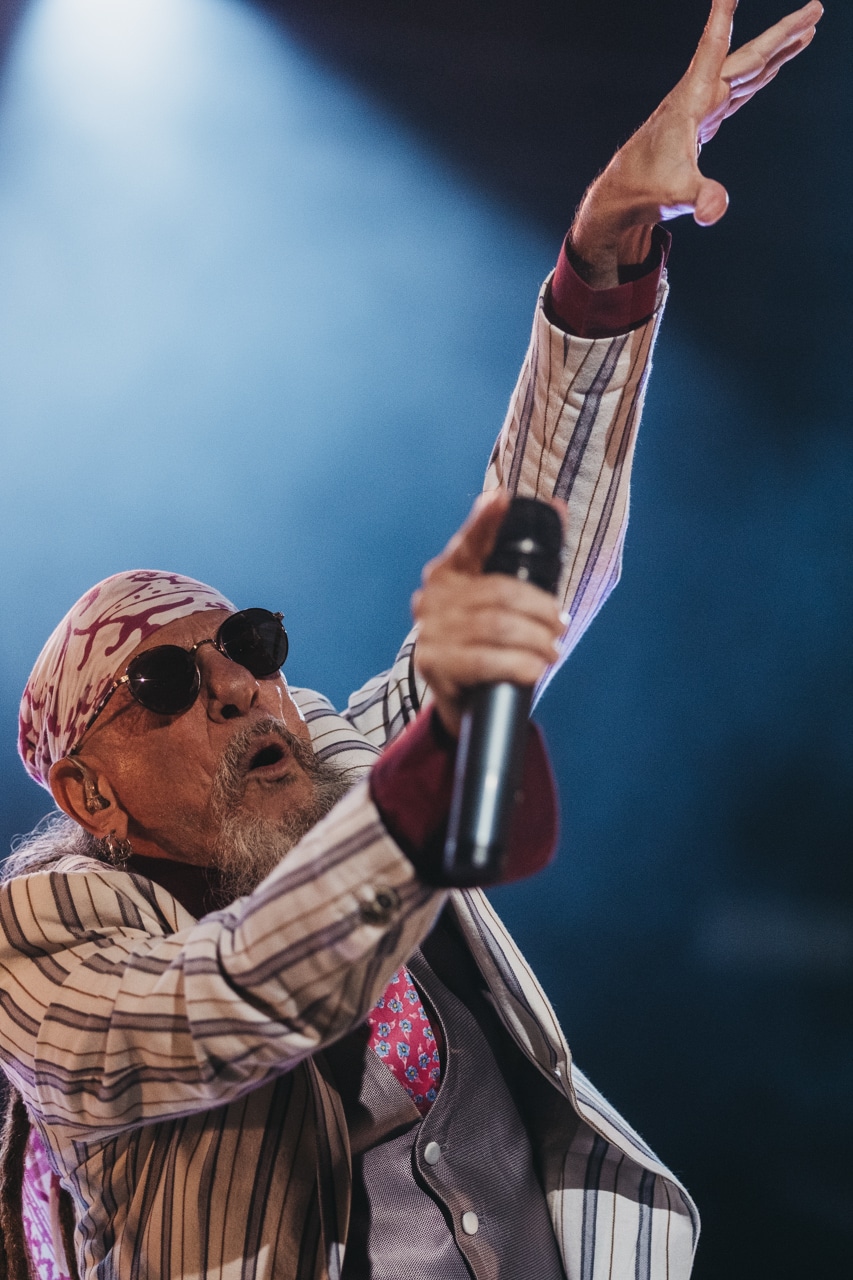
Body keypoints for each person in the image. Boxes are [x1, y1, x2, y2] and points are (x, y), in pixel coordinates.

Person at [0, 3, 822, 1278]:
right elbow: (224, 1002)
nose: (237, 686)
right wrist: (434, 780)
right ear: (91, 790)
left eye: (249, 642)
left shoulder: (341, 775)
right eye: (161, 681)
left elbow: (535, 563)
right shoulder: (44, 930)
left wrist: (603, 260)